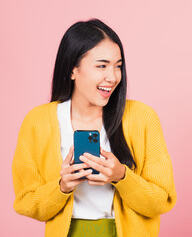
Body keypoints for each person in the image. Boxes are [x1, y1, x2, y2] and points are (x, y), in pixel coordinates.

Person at [12, 18, 177, 237]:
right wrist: (62, 186)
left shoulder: (143, 117)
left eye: (118, 66)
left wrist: (121, 176)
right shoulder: (37, 121)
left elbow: (162, 200)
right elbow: (26, 201)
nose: (113, 77)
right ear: (73, 70)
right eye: (102, 65)